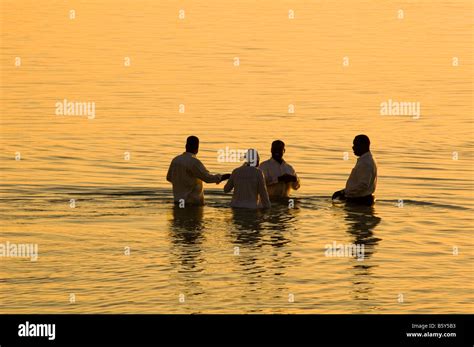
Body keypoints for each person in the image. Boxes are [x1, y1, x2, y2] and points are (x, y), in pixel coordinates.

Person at [167, 136, 230, 206]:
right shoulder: (194, 162)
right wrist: (226, 176)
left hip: (178, 202)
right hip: (191, 203)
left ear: (186, 146)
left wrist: (182, 184)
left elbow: (169, 178)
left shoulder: (175, 160)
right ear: (197, 148)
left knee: (179, 216)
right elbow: (208, 178)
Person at [332, 134, 377, 206]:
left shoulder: (365, 163)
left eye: (355, 145)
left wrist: (345, 193)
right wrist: (343, 192)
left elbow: (363, 185)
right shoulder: (367, 160)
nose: (353, 147)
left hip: (360, 201)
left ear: (363, 146)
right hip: (361, 200)